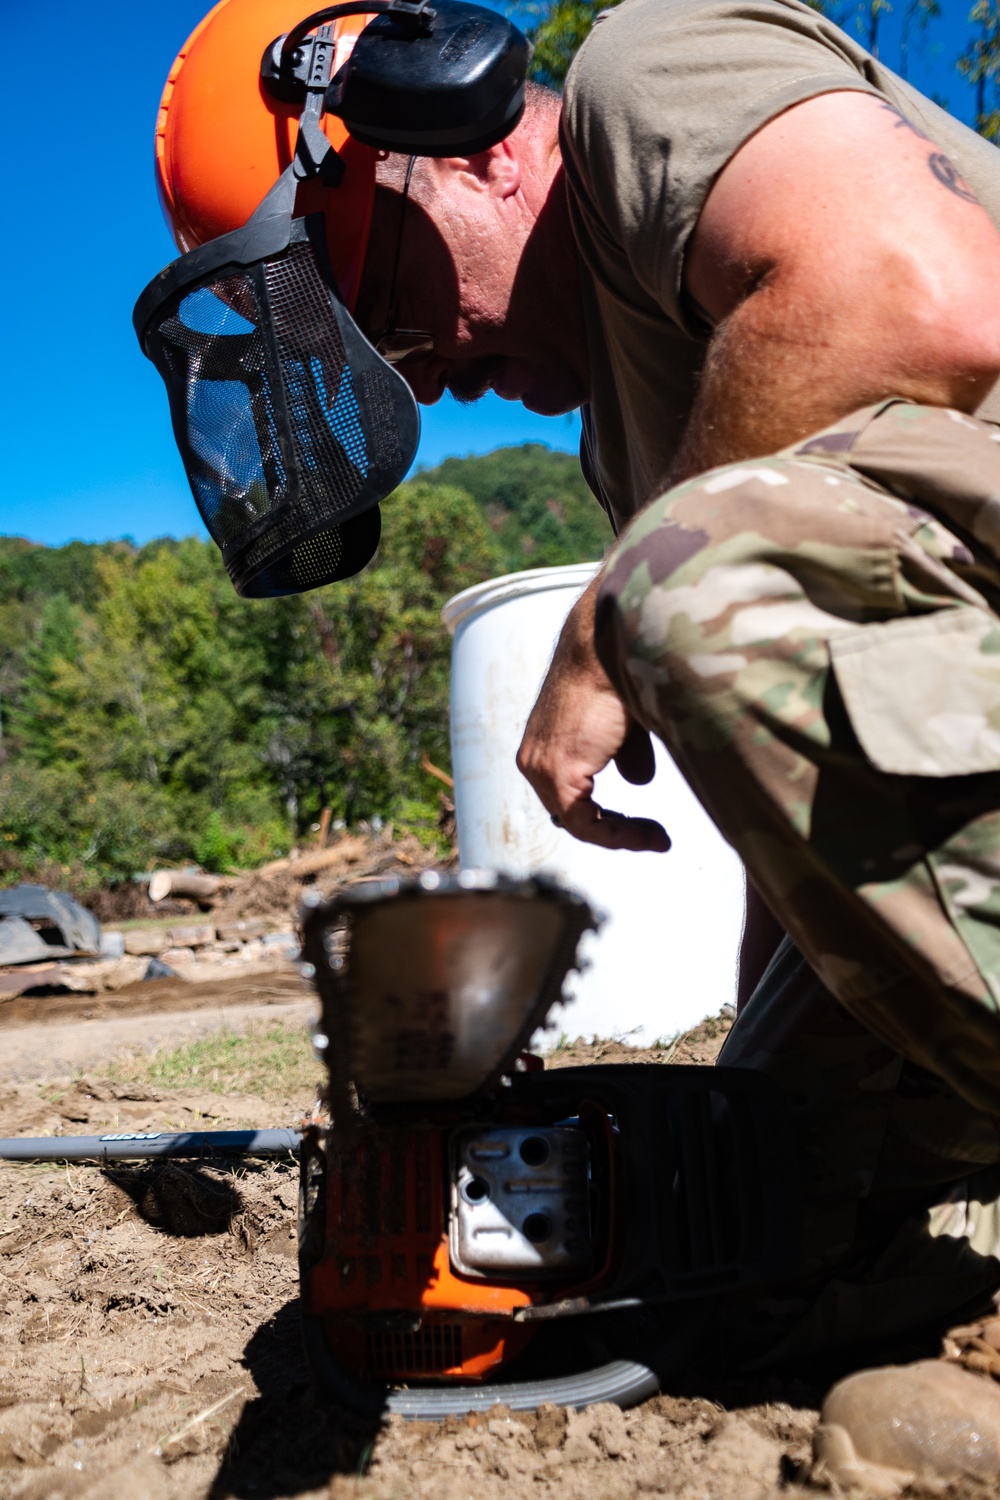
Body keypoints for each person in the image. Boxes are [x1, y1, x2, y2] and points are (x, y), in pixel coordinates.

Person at [157, 0, 1000, 1478]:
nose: (410, 371)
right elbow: (809, 803)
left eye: (384, 301)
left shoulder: (646, 69)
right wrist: (771, 1109)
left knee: (693, 577)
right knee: (768, 1195)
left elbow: (923, 295)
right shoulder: (639, 440)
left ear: (446, 128)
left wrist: (612, 623)